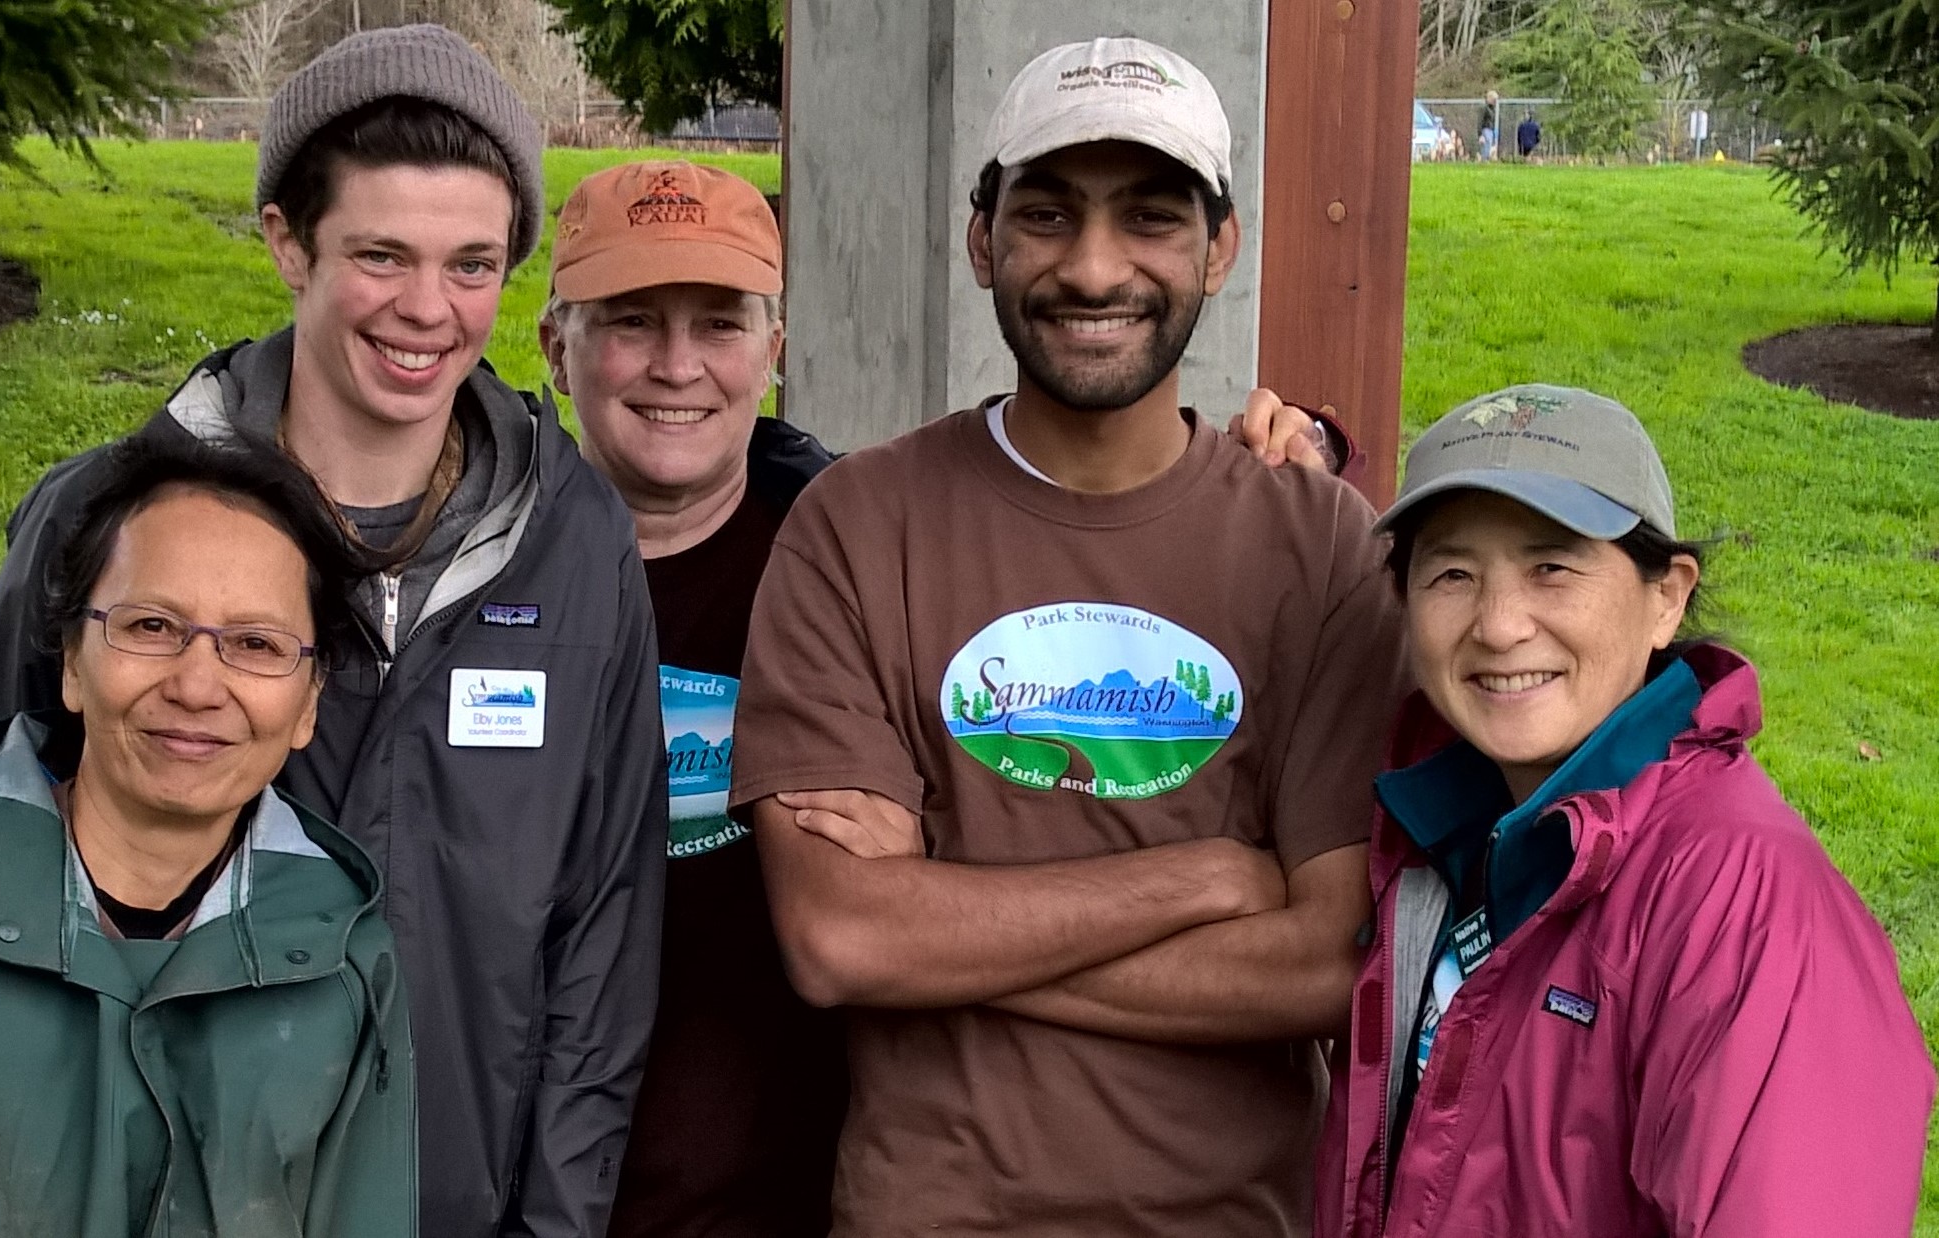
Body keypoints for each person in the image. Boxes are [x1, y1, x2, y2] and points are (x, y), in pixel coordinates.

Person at [0, 26, 668, 1238]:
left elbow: (606, 927)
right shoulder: (114, 516)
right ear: (287, 240)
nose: (429, 310)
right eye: (382, 254)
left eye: (474, 264)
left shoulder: (573, 533)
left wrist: (558, 1220)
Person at [728, 37, 1405, 1237]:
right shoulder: (859, 526)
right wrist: (1206, 877)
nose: (1095, 269)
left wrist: (944, 921)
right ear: (982, 236)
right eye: (1047, 213)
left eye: (1149, 216)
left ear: (1221, 244)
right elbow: (838, 936)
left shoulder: (1321, 547)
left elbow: (1326, 964)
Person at [0, 437, 415, 1238]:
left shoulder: (342, 952)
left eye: (257, 645)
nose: (197, 686)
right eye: (152, 625)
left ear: (308, 702)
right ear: (71, 660)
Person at [1315, 385, 1934, 1237]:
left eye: (1553, 567)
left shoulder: (1749, 906)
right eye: (1453, 572)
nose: (1498, 625)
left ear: (1667, 597)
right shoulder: (1448, 834)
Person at [537, 158, 846, 1238]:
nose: (676, 367)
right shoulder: (465, 576)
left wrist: (1295, 446)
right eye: (629, 321)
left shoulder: (849, 567)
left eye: (719, 324)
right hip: (516, 1191)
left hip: (783, 1192)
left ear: (774, 351)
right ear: (554, 349)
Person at [1478, 89, 1500, 161]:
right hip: (1485, 129)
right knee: (1486, 147)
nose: (1495, 101)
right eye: (1494, 99)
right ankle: (1484, 160)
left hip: (1491, 130)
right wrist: (1480, 134)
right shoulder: (1484, 108)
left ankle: (1486, 159)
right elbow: (1480, 121)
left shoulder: (1493, 109)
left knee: (1489, 147)